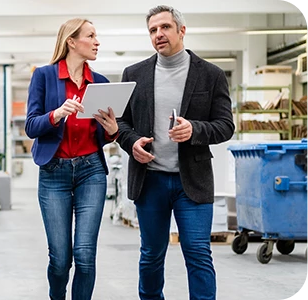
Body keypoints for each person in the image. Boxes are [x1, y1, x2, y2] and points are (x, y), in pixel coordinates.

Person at [116, 5, 235, 300]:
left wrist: (195, 130)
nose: (159, 34)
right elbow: (120, 122)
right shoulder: (134, 74)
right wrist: (131, 143)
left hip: (191, 181)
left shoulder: (211, 75)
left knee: (198, 254)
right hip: (150, 180)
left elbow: (225, 126)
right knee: (151, 256)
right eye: (153, 30)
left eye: (165, 27)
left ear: (182, 30)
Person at [25, 18, 119, 300]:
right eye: (91, 36)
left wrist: (113, 131)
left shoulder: (100, 83)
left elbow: (103, 134)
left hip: (91, 171)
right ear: (71, 42)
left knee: (85, 255)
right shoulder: (44, 76)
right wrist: (56, 114)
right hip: (54, 172)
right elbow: (31, 126)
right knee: (60, 259)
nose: (97, 42)